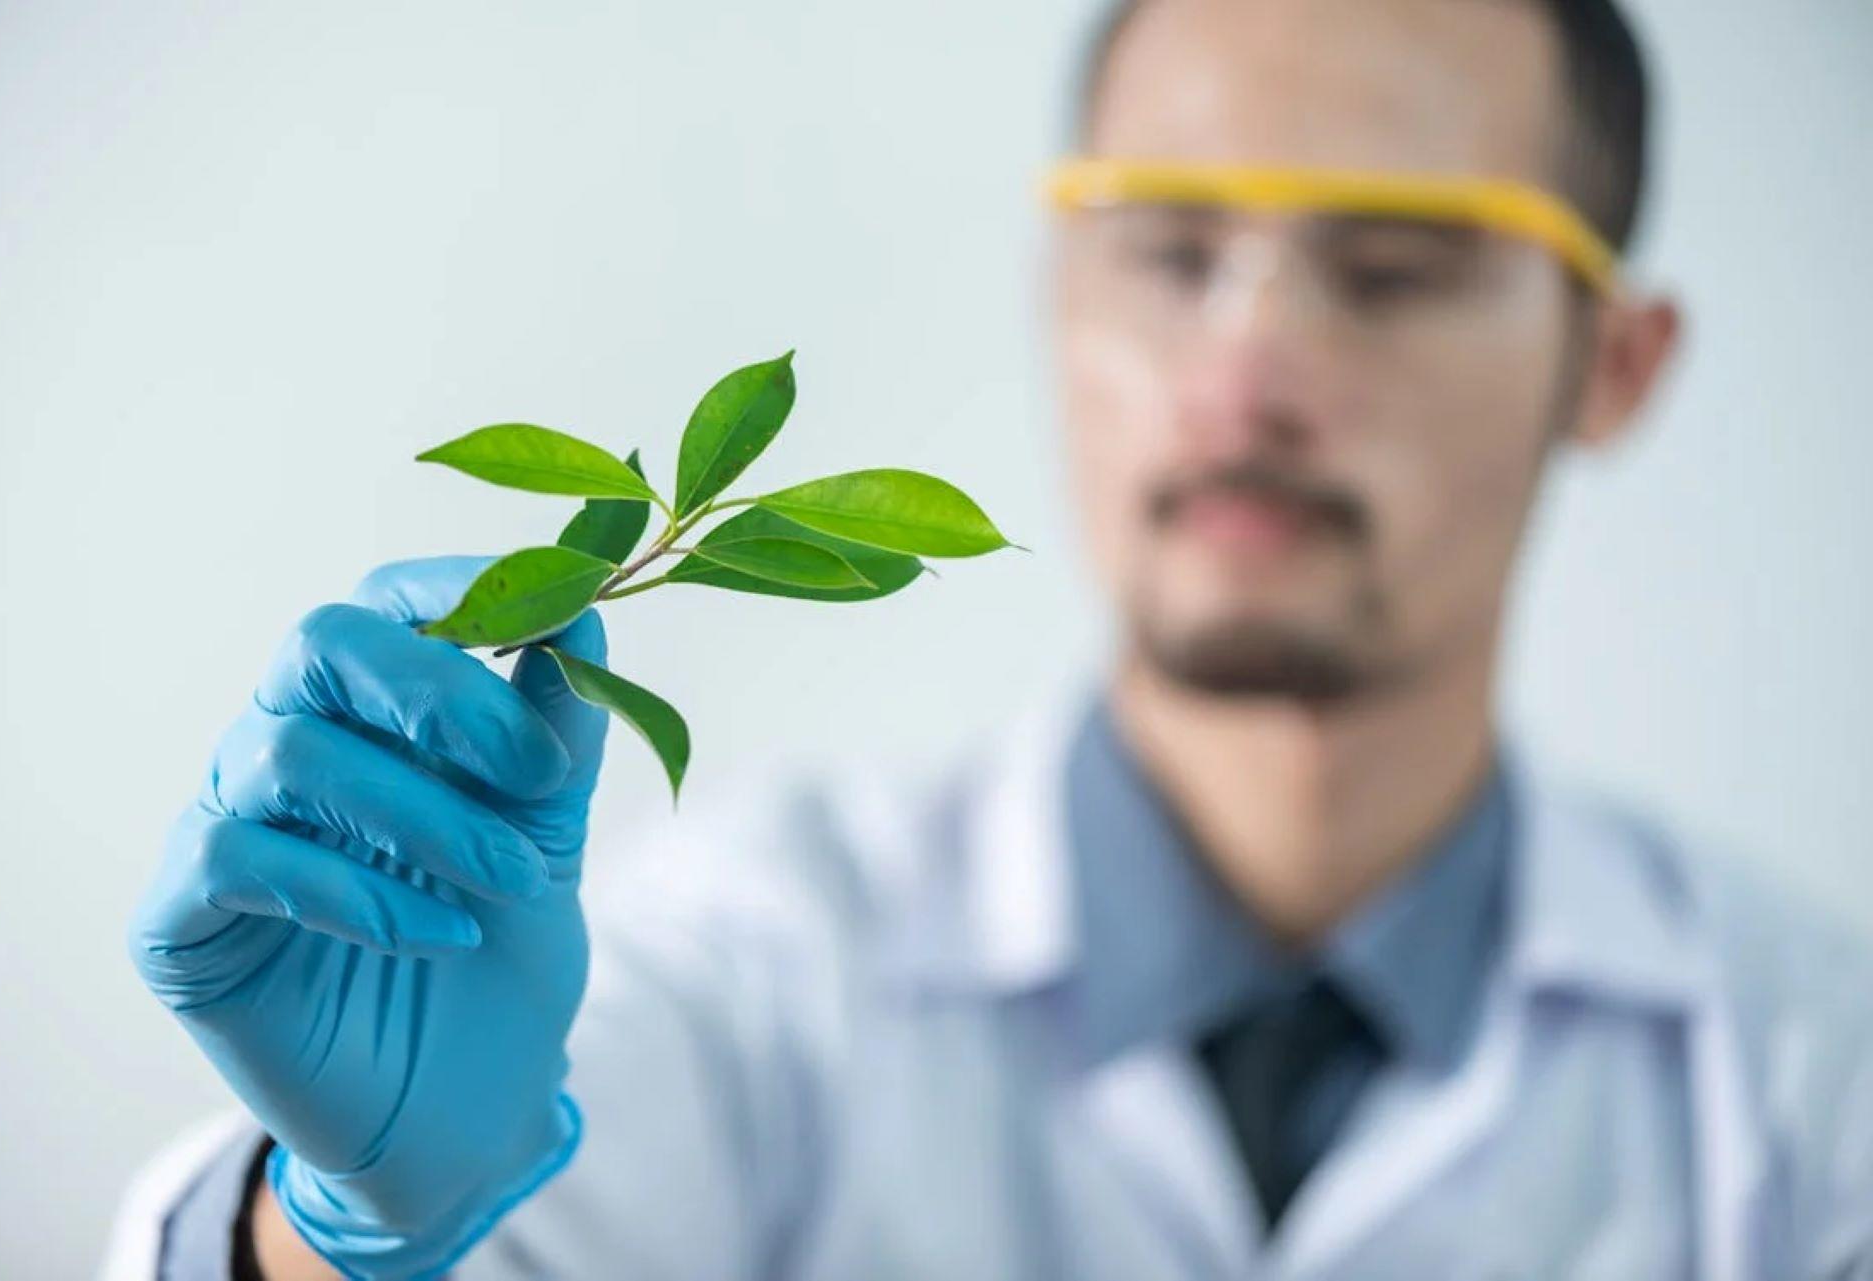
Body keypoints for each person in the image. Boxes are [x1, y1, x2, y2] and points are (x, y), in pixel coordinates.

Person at [109, 0, 1873, 1277]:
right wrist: (325, 1231)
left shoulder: (1809, 1084)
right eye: (1169, 252)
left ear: (1615, 366)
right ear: (1059, 292)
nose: (1244, 376)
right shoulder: (754, 973)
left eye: (1395, 265)